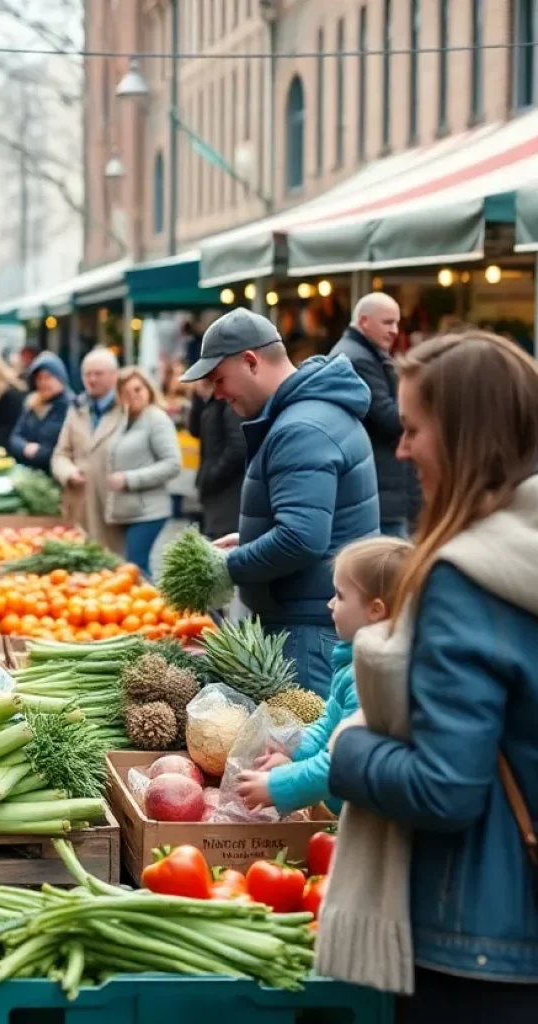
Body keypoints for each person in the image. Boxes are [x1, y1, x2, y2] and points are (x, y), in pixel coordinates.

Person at [320, 331, 538, 1019]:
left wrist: (349, 749)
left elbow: (445, 789)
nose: (402, 448)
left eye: (415, 429)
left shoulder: (463, 579)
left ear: (468, 437)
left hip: (474, 937)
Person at [181, 307, 379, 697]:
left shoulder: (301, 428)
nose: (217, 395)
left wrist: (228, 566)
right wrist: (251, 538)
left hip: (307, 631)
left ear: (251, 361)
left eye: (219, 379)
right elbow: (308, 519)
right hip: (313, 620)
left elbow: (302, 537)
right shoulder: (307, 414)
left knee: (298, 746)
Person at [235, 535, 411, 816]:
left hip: (364, 815)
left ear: (376, 610)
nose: (330, 604)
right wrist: (292, 749)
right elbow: (328, 723)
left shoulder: (373, 678)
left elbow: (342, 760)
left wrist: (279, 786)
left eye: (340, 596)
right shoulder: (354, 660)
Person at [331, 293, 416, 537]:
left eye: (397, 323)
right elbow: (389, 418)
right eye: (387, 322)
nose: (395, 330)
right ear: (364, 321)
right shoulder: (359, 358)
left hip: (378, 485)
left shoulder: (361, 353)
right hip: (379, 487)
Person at [105, 368, 182, 577]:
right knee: (134, 569)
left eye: (138, 389)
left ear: (148, 389)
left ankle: (155, 607)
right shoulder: (125, 421)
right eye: (126, 392)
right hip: (127, 511)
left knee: (135, 569)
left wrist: (130, 479)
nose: (134, 396)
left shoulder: (156, 419)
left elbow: (173, 464)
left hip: (149, 510)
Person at [50, 347, 126, 553]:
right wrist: (68, 472)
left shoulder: (127, 408)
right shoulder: (76, 408)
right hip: (80, 499)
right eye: (87, 374)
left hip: (113, 502)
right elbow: (60, 453)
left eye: (98, 374)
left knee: (117, 562)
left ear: (114, 375)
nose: (92, 379)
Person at [188, 378, 246, 540]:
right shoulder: (213, 401)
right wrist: (198, 398)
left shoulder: (229, 401)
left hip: (228, 494)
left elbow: (238, 447)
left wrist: (211, 476)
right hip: (215, 493)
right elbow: (194, 430)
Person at [9, 351, 72, 475]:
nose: (43, 383)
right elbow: (15, 436)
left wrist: (41, 452)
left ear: (60, 378)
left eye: (48, 377)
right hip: (27, 473)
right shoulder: (31, 404)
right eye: (39, 378)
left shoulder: (71, 407)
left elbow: (68, 448)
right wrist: (24, 447)